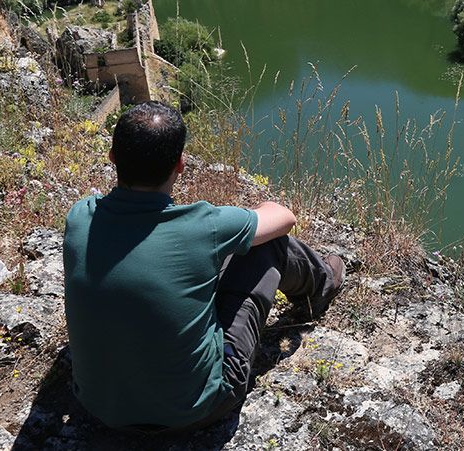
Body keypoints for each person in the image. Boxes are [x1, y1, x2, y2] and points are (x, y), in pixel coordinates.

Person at [62, 101, 345, 433]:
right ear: (180, 165)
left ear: (112, 158)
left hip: (99, 406)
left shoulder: (80, 217)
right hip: (195, 409)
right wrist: (245, 219)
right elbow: (284, 218)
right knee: (268, 245)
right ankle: (325, 281)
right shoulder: (203, 226)